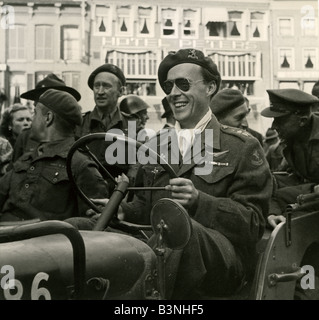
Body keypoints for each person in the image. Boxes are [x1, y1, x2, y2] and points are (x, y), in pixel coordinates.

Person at [68, 49, 273, 299]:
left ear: (210, 87)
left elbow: (253, 224)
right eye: (169, 86)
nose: (174, 93)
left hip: (224, 262)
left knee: (179, 232)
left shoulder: (242, 146)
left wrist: (200, 201)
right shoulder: (157, 144)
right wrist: (122, 211)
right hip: (160, 245)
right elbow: (143, 205)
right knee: (74, 229)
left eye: (183, 84)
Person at [0, 89, 108, 222]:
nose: (31, 120)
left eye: (35, 113)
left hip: (39, 239)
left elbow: (97, 223)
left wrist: (61, 229)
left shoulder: (80, 165)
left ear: (48, 118)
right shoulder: (28, 158)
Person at [261, 88, 319, 228]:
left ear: (302, 120)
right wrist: (272, 213)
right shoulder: (293, 139)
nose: (274, 126)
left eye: (280, 120)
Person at [76, 63, 129, 193]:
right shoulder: (80, 123)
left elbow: (136, 166)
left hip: (120, 195)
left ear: (121, 91)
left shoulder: (131, 125)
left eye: (106, 86)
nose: (100, 92)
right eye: (96, 86)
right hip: (84, 193)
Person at [13, 73, 82, 163]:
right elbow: (14, 171)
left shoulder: (79, 137)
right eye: (38, 99)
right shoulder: (25, 137)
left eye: (52, 97)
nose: (40, 102)